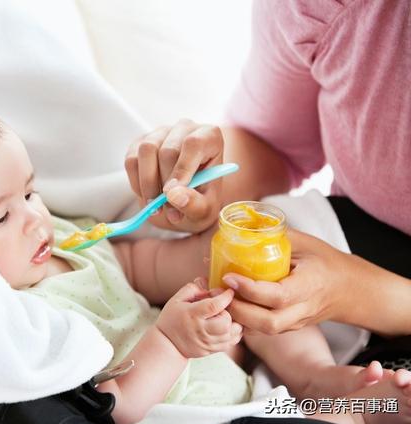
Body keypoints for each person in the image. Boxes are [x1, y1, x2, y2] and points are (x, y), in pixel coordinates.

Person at [0, 92, 410, 424]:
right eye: (0, 217)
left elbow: (143, 266)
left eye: (29, 193)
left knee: (254, 303)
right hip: (192, 417)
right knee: (310, 423)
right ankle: (361, 411)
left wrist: (215, 268)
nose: (34, 219)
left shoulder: (69, 244)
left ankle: (320, 378)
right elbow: (112, 408)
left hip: (249, 385)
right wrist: (171, 340)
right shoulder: (17, 316)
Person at [124, 0, 411, 340]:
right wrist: (197, 180)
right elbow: (273, 148)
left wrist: (361, 293)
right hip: (356, 245)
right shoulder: (320, 8)